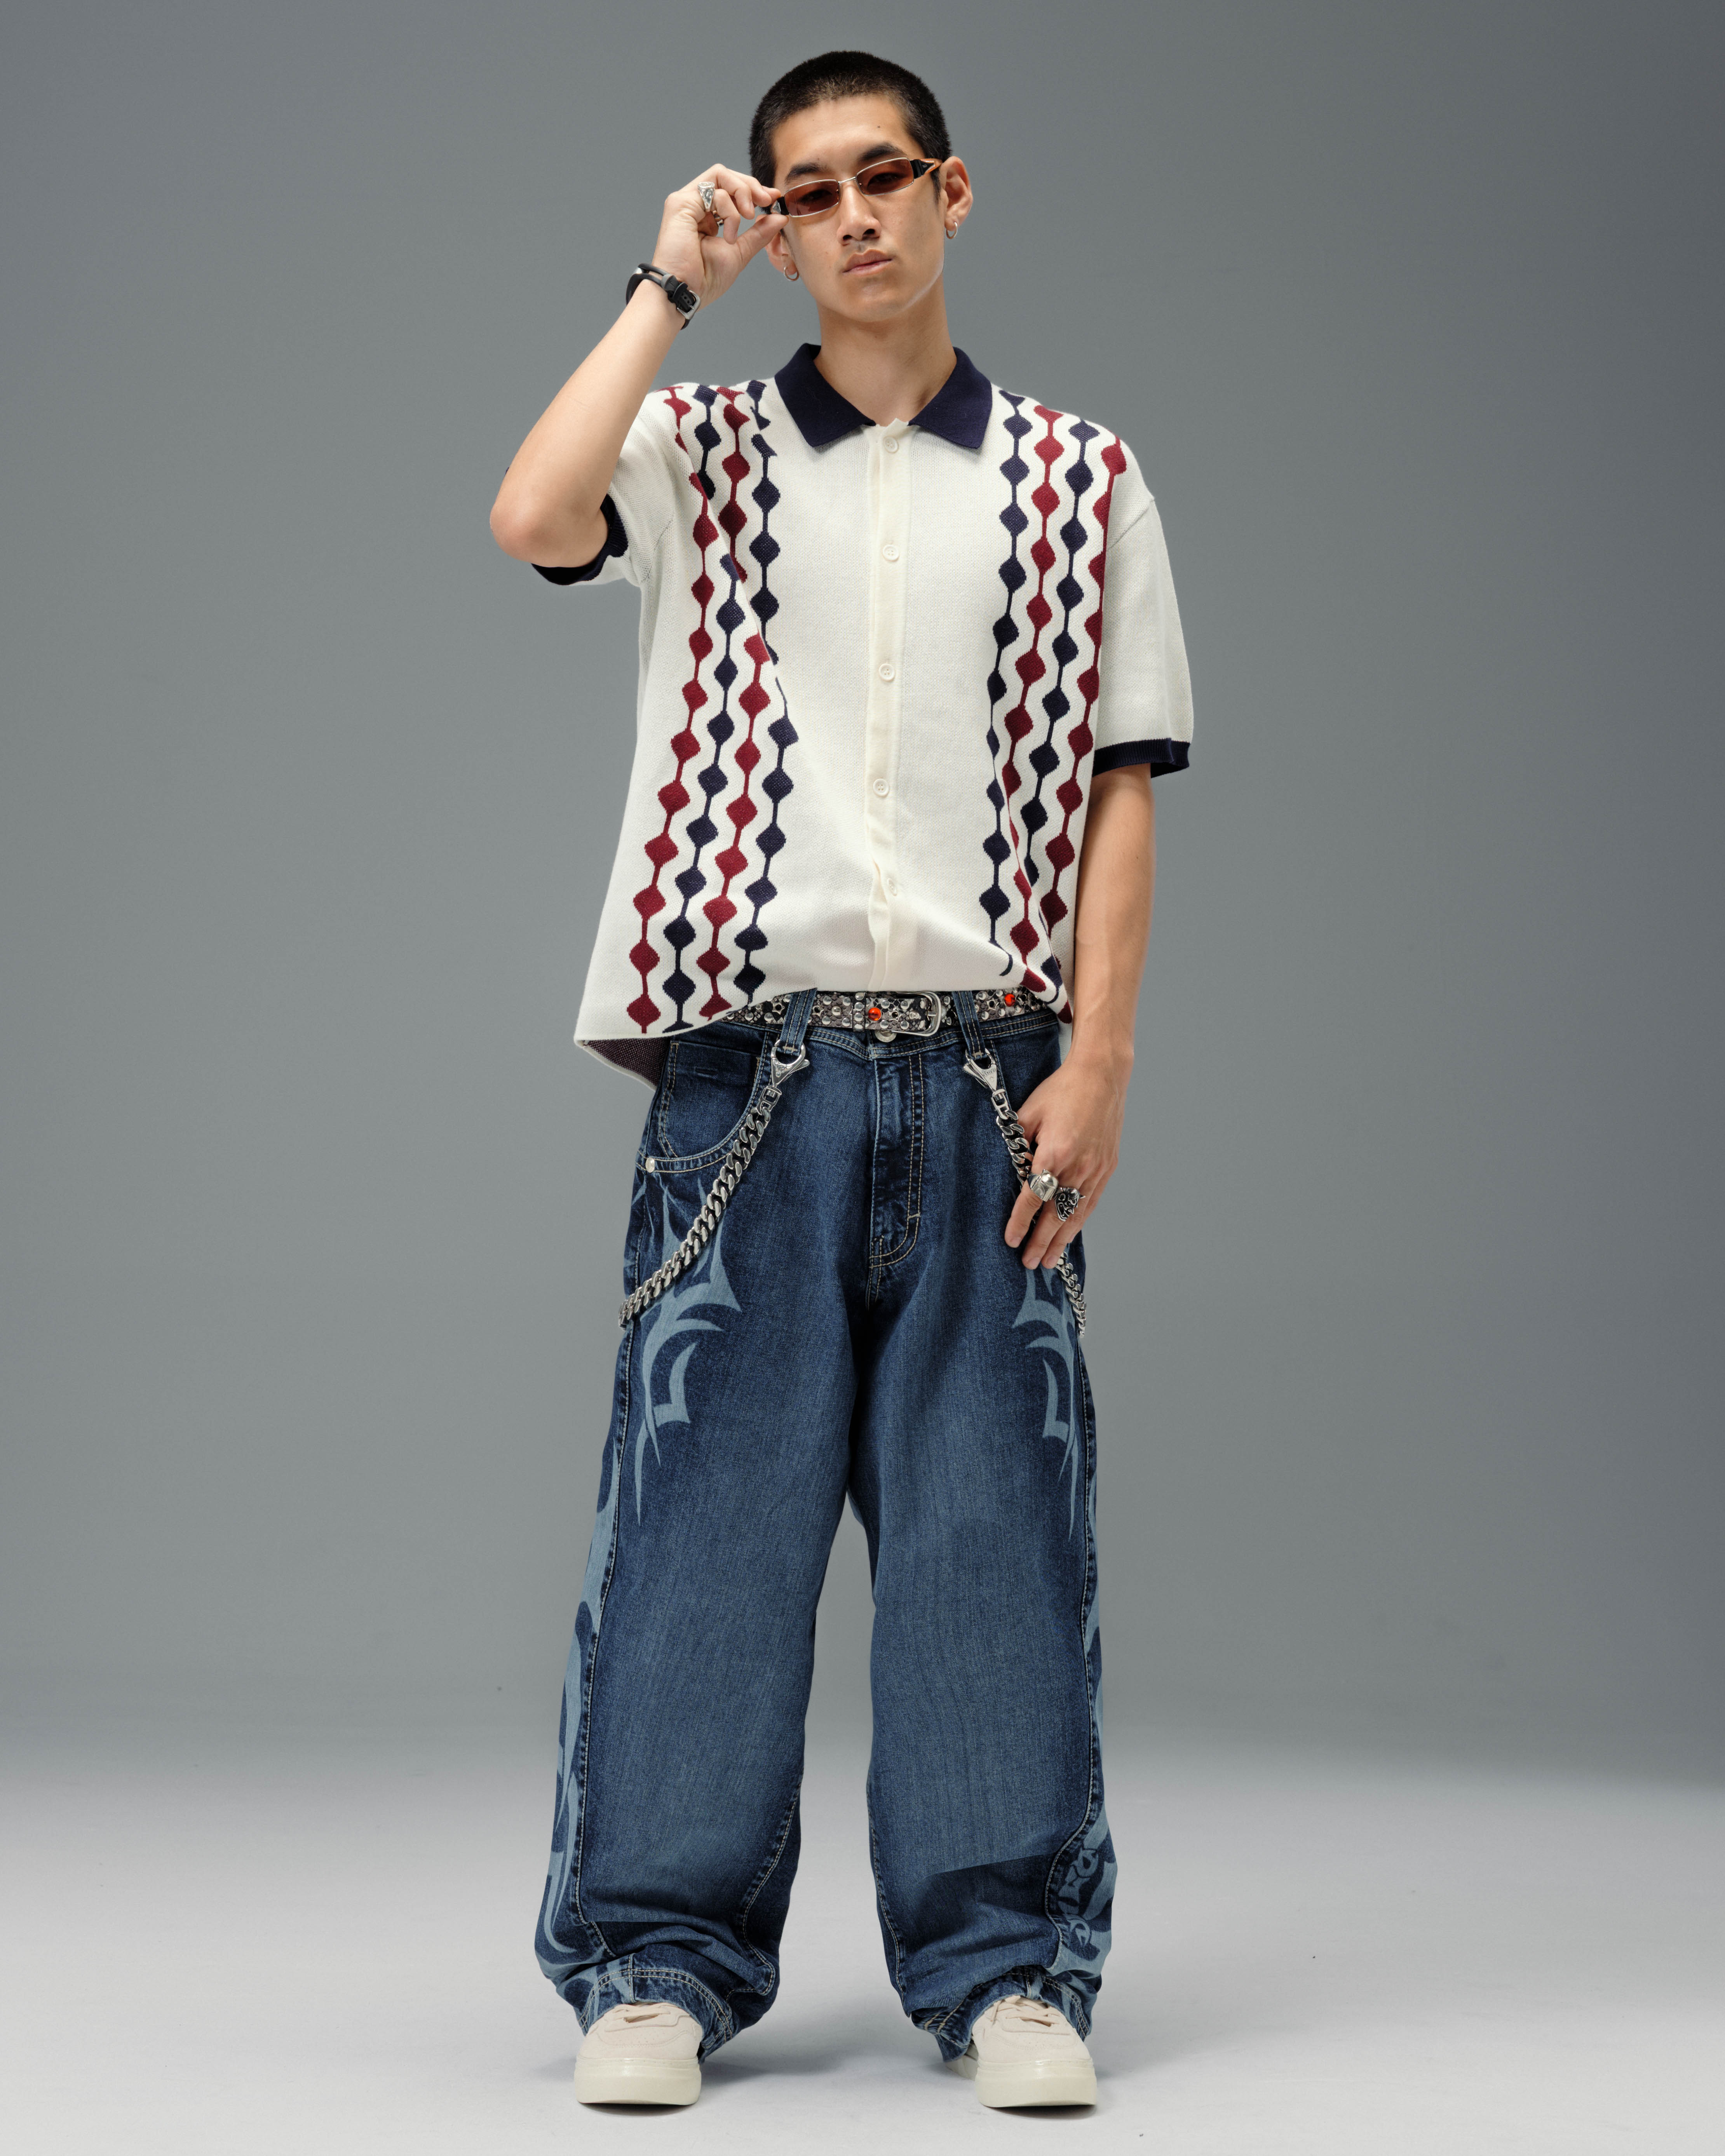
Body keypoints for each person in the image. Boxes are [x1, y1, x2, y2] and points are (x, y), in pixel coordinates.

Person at [489, 49, 1193, 2112]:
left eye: (886, 175)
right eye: (809, 190)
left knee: (993, 1533)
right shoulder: (696, 445)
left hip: (991, 1082)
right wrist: (665, 284)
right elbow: (530, 516)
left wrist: (1102, 1061)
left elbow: (1121, 788)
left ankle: (1008, 1970)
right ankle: (655, 1962)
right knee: (705, 1526)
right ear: (776, 227)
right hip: (751, 1081)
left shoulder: (1079, 476)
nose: (854, 213)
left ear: (952, 193)